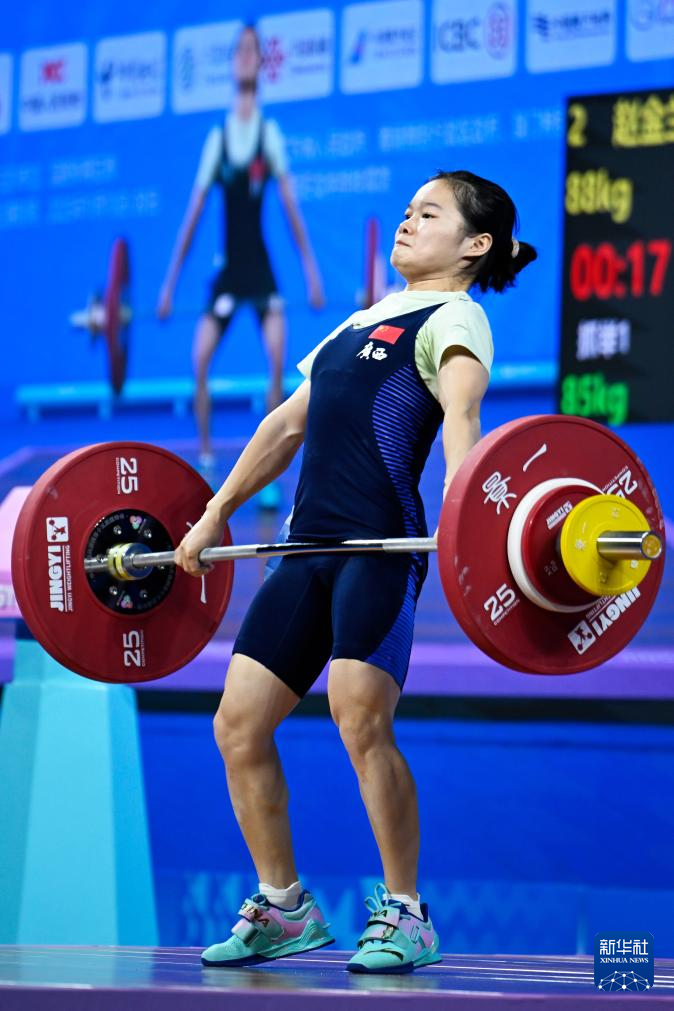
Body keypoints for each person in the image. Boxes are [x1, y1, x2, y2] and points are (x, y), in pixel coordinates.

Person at [175, 169, 537, 973]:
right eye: (407, 211)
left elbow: (462, 418)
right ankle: (284, 905)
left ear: (475, 244)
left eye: (429, 214)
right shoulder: (358, 322)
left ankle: (407, 911)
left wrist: (465, 518)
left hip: (378, 548)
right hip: (304, 549)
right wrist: (214, 511)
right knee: (238, 724)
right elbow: (284, 427)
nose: (408, 223)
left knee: (359, 717)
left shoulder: (455, 317)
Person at [157, 23, 325, 499]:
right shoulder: (219, 138)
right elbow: (192, 217)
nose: (247, 57)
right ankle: (207, 460)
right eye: (241, 51)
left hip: (262, 272)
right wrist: (168, 287)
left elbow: (291, 210)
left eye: (254, 50)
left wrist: (312, 275)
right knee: (199, 362)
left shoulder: (269, 135)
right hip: (229, 273)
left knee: (277, 369)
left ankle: (265, 476)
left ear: (261, 63)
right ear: (234, 63)